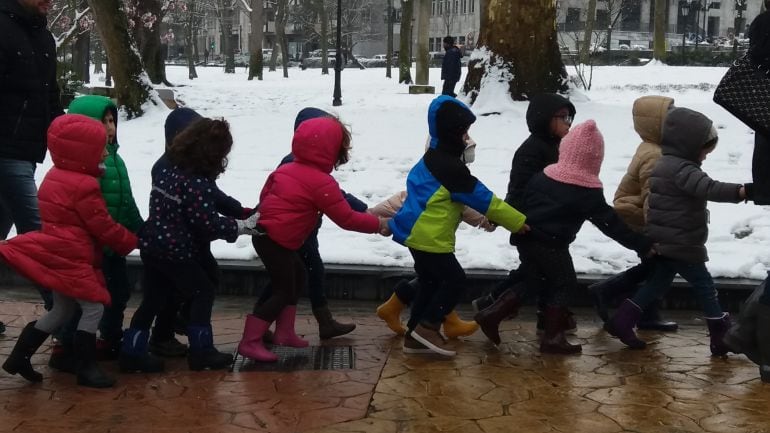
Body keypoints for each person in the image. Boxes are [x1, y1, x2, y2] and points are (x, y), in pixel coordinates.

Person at [483, 120, 654, 354]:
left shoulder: (543, 175)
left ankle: (491, 315)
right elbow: (610, 224)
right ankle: (553, 337)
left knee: (532, 280)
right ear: (596, 160)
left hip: (526, 237)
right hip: (551, 244)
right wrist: (641, 244)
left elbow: (525, 201)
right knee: (564, 283)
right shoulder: (586, 190)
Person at [237, 116, 390, 363]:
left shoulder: (285, 169)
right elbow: (346, 219)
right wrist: (379, 225)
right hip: (276, 240)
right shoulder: (321, 182)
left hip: (270, 236)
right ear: (332, 150)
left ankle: (284, 333)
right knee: (283, 288)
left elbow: (265, 195)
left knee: (297, 278)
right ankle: (250, 341)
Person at [0, 114, 137, 388]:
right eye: (101, 146)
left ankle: (19, 357)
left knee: (61, 310)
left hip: (58, 251)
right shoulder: (84, 185)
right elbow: (101, 225)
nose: (106, 151)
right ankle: (86, 366)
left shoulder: (55, 175)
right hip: (72, 255)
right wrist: (129, 240)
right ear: (82, 151)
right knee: (93, 308)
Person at [388, 95, 529, 357]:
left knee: (430, 282)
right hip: (429, 237)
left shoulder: (431, 158)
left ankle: (414, 335)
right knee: (454, 280)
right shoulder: (450, 168)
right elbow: (485, 200)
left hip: (414, 234)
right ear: (452, 132)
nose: (467, 138)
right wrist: (518, 222)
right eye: (464, 131)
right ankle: (428, 327)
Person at [119, 117, 260, 373]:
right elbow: (204, 222)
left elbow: (213, 199)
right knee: (202, 291)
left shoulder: (170, 169)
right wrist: (241, 227)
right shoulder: (196, 182)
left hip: (153, 244)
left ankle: (132, 351)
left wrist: (240, 211)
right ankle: (201, 350)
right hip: (176, 251)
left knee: (152, 299)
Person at [606, 108, 749, 355]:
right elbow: (709, 188)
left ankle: (622, 320)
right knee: (704, 286)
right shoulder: (683, 170)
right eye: (704, 150)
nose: (705, 156)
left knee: (656, 284)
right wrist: (741, 192)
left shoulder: (664, 163)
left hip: (665, 240)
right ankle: (719, 335)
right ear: (690, 145)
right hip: (681, 243)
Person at [46, 95, 145, 373]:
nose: (110, 128)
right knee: (83, 302)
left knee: (118, 292)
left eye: (112, 121)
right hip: (91, 249)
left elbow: (125, 200)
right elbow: (92, 212)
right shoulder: (83, 167)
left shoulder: (115, 159)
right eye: (102, 122)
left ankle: (109, 338)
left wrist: (138, 226)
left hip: (113, 243)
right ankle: (66, 345)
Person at [254, 108, 364, 340]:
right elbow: (334, 196)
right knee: (291, 278)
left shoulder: (303, 160)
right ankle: (259, 330)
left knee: (296, 276)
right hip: (291, 234)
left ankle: (292, 326)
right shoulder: (296, 162)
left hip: (303, 231)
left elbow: (332, 193)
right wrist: (363, 211)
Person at [473, 94, 577, 338]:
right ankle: (496, 312)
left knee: (536, 275)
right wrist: (509, 220)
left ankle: (496, 306)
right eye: (562, 117)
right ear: (544, 119)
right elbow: (518, 190)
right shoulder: (531, 151)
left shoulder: (556, 147)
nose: (568, 123)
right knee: (550, 277)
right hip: (532, 228)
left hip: (547, 227)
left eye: (569, 117)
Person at [373, 136, 492, 339]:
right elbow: (467, 206)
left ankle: (407, 317)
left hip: (424, 239)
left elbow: (398, 202)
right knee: (446, 279)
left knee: (432, 278)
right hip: (428, 240)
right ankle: (428, 326)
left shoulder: (432, 179)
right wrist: (490, 220)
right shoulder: (442, 184)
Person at [587, 96, 678, 331]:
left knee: (653, 268)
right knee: (659, 268)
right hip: (642, 219)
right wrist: (656, 230)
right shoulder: (654, 155)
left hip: (639, 215)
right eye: (670, 117)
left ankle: (636, 308)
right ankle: (612, 293)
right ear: (655, 123)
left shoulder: (653, 148)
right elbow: (652, 198)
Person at [0, 0, 65, 330]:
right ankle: (63, 315)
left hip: (27, 150)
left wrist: (64, 138)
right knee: (37, 231)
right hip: (7, 153)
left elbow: (49, 95)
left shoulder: (44, 38)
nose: (49, 1)